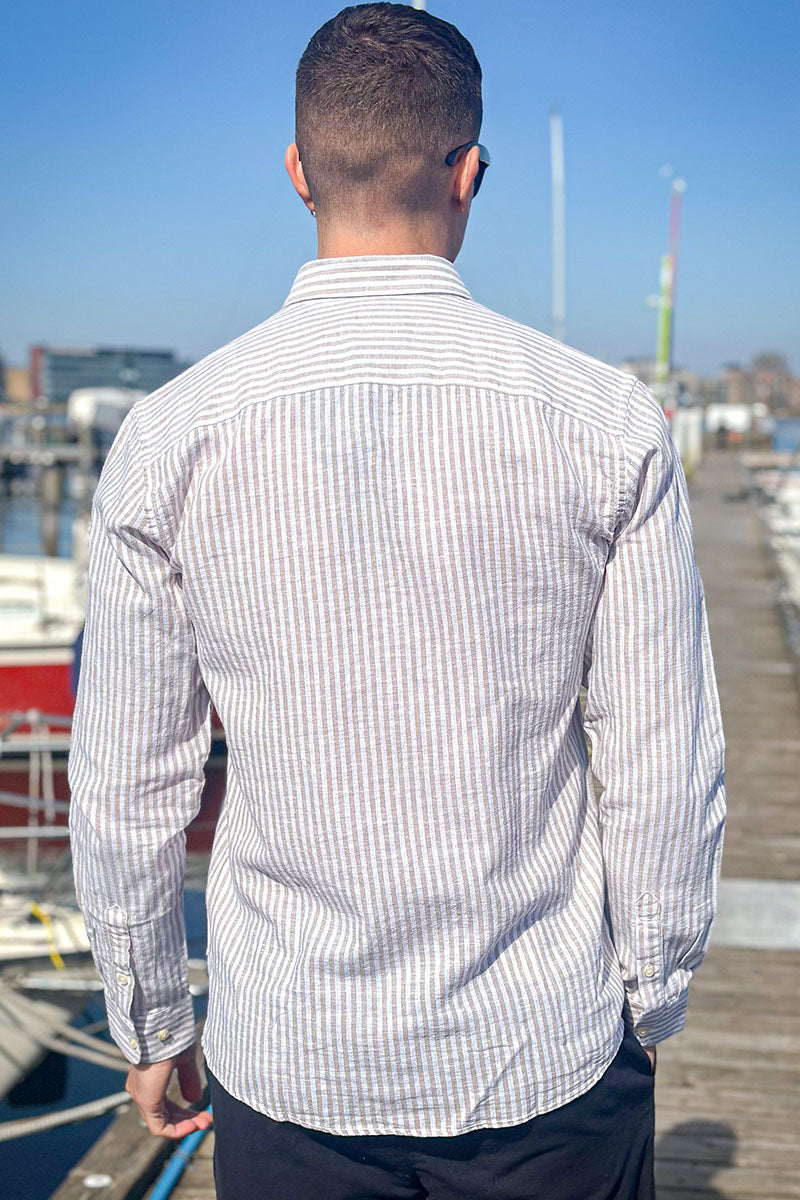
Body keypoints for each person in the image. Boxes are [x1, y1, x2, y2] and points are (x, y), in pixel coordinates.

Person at [67, 5, 727, 1198]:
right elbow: (660, 760)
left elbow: (127, 785)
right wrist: (650, 993)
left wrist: (153, 1021)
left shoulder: (169, 438)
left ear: (297, 170)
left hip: (292, 1060)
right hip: (542, 1051)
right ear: (468, 174)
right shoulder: (605, 422)